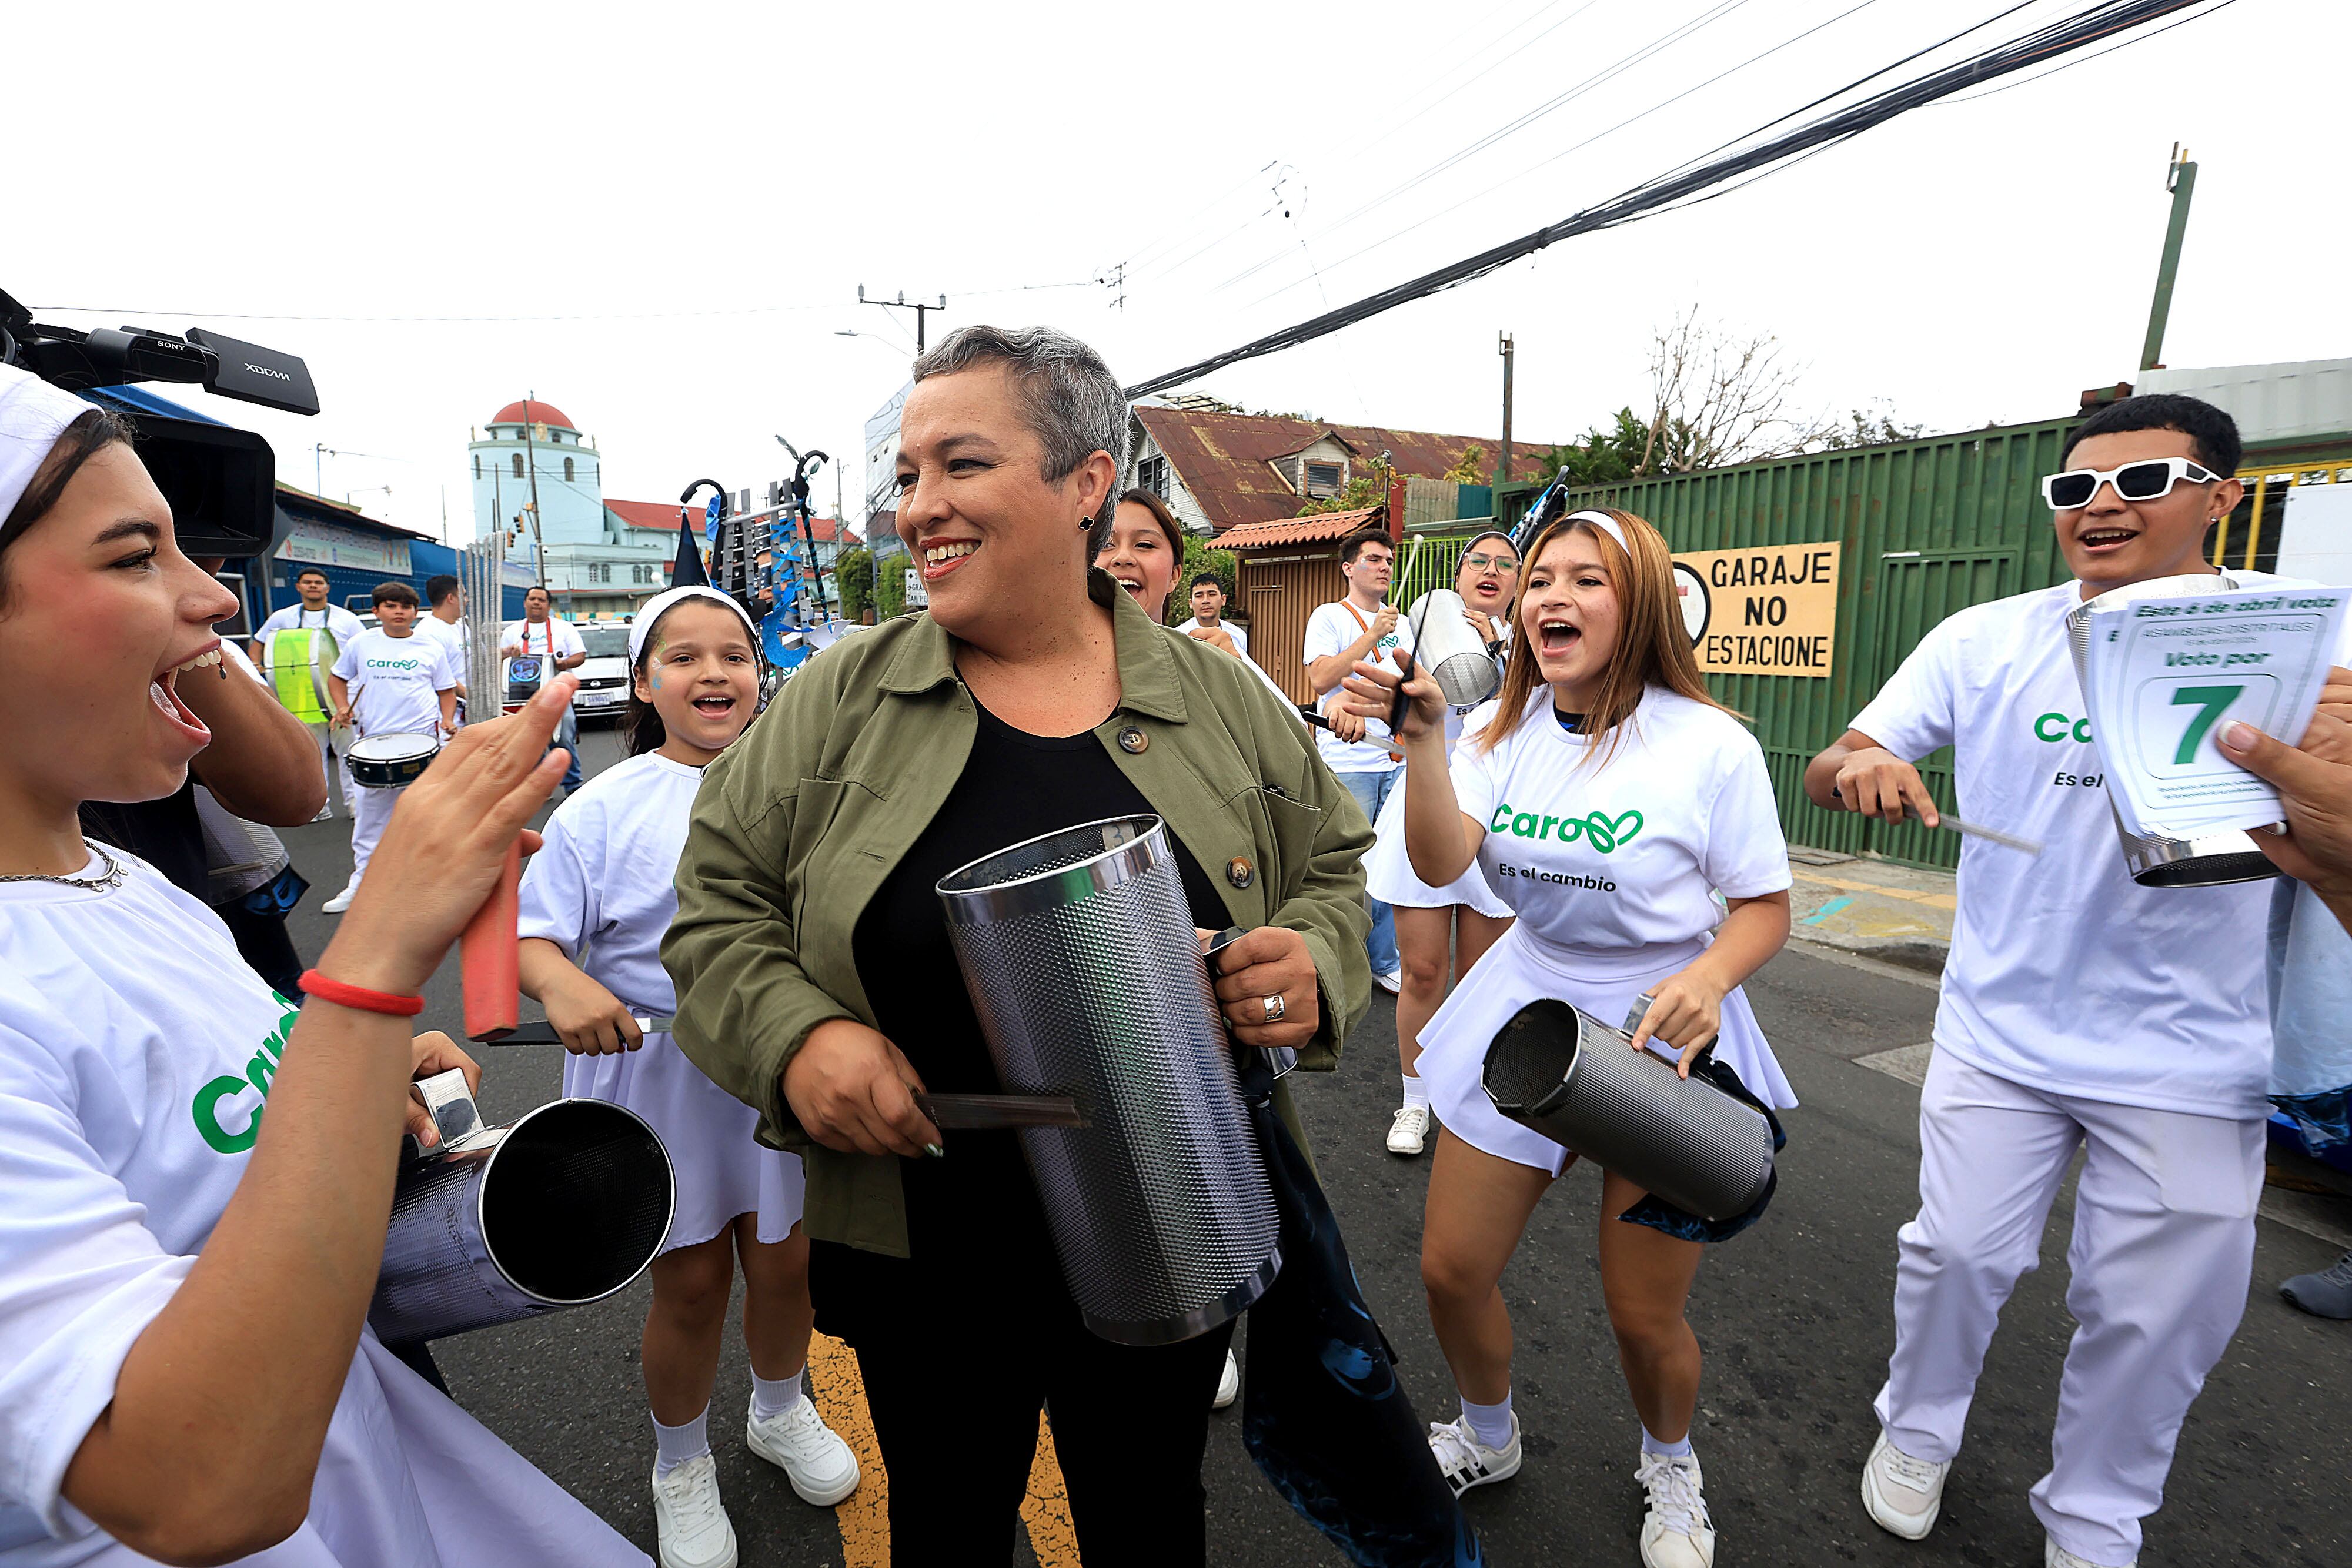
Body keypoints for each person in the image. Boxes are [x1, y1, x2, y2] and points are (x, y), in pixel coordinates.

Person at [663, 324, 1372, 1567]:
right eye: (907, 476)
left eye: (961, 465)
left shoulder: (1219, 701)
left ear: (1084, 485)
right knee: (942, 1522)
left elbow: (1331, 873)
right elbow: (715, 909)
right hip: (923, 1246)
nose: (917, 507)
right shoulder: (840, 699)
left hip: (1175, 1213)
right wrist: (798, 1036)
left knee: (1150, 1513)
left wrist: (1310, 959)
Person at [0, 362, 644, 1566]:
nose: (211, 604)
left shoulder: (128, 882)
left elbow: (209, 1136)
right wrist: (371, 966)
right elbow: (191, 1487)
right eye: (135, 556)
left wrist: (346, 1075)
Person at [1802, 393, 2348, 1568]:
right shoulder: (1982, 637)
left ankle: (2095, 1514)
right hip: (2000, 1027)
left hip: (2192, 1054)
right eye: (2072, 488)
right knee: (1953, 1252)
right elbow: (1831, 759)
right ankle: (1915, 1427)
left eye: (2141, 478)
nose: (2099, 504)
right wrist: (1869, 764)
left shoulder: (2297, 643)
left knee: (2154, 1315)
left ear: (2221, 496)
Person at [1342, 506, 1795, 1568]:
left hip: (1657, 1040)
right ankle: (1487, 1434)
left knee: (1642, 1314)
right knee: (1452, 1267)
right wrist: (1425, 747)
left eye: (1588, 579)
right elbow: (1447, 854)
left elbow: (1766, 906)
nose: (1553, 595)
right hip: (1524, 1012)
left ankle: (1670, 1461)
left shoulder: (1713, 746)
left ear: (1639, 604)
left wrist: (1712, 975)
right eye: (1541, 577)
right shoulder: (1504, 734)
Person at [519, 586, 859, 1568]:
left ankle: (780, 1409)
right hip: (657, 1078)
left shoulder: (808, 791)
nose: (714, 672)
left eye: (735, 655)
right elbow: (534, 939)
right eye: (683, 657)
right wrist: (567, 988)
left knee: (788, 1259)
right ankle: (680, 1463)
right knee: (694, 1283)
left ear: (763, 676)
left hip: (776, 1067)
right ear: (643, 684)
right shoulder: (601, 807)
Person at [1368, 530, 1519, 1157]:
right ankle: (1415, 1100)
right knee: (1423, 971)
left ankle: (1476, 1094)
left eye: (1505, 564)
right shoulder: (1421, 622)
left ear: (1517, 582)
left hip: (1501, 820)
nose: (1489, 570)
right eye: (1477, 561)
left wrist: (1502, 649)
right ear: (1458, 576)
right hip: (1425, 806)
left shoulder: (1538, 642)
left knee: (1487, 978)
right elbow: (1391, 699)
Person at [1305, 527, 1415, 994]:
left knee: (1392, 862)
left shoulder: (1404, 622)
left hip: (1398, 757)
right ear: (1349, 568)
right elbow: (1321, 678)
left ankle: (1382, 958)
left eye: (1389, 560)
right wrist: (1371, 634)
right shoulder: (1329, 615)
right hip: (1351, 758)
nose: (1385, 567)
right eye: (1374, 559)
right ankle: (1336, 960)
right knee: (1347, 865)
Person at [324, 581, 457, 912]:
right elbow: (337, 678)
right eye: (391, 606)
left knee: (427, 815)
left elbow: (446, 690)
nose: (399, 612)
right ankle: (362, 884)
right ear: (376, 611)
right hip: (373, 744)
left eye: (406, 606)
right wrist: (342, 707)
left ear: (415, 612)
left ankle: (428, 883)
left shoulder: (430, 646)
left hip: (423, 742)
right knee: (370, 819)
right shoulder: (361, 643)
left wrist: (448, 719)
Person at [250, 563, 365, 821]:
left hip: (342, 698)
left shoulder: (347, 619)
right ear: (298, 587)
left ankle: (356, 806)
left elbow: (363, 652)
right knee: (311, 754)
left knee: (349, 753)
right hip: (301, 696)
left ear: (327, 587)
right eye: (308, 582)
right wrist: (257, 666)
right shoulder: (282, 617)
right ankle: (318, 807)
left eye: (319, 582)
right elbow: (258, 644)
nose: (313, 586)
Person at [505, 584, 586, 793]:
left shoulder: (565, 628)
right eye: (532, 599)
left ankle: (573, 784)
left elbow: (580, 656)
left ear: (549, 606)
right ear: (525, 603)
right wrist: (507, 653)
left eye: (541, 600)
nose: (536, 603)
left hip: (557, 692)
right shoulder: (512, 631)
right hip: (521, 694)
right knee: (529, 742)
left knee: (564, 735)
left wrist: (563, 664)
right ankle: (540, 787)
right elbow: (498, 660)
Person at [415, 572, 471, 707]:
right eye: (463, 595)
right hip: (448, 712)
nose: (467, 600)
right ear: (451, 598)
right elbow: (440, 674)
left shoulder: (462, 626)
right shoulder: (427, 632)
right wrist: (468, 695)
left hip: (469, 707)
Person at [1176, 572, 1246, 656]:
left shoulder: (1238, 635)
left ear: (1223, 600)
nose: (1206, 601)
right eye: (1199, 596)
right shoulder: (1178, 635)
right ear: (1191, 603)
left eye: (1212, 594)